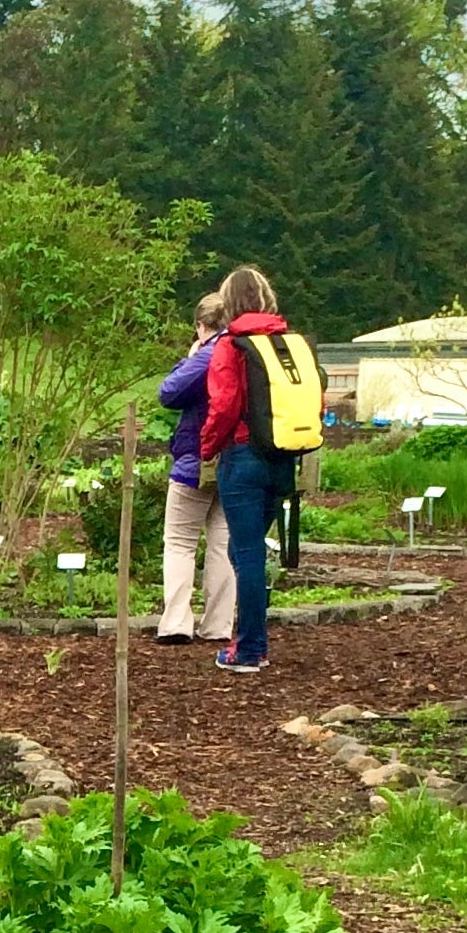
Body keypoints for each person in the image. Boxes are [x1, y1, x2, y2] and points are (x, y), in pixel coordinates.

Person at [196, 264, 296, 674]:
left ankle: (252, 648)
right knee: (245, 550)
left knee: (247, 552)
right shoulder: (287, 343)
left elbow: (223, 406)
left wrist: (207, 448)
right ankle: (251, 638)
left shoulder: (231, 346)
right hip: (284, 457)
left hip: (243, 457)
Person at [154, 293, 234, 646]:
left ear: (202, 326)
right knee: (222, 545)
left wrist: (190, 358)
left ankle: (175, 623)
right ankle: (218, 625)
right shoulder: (244, 352)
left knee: (180, 543)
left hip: (195, 463)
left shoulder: (208, 355)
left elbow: (168, 393)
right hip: (235, 463)